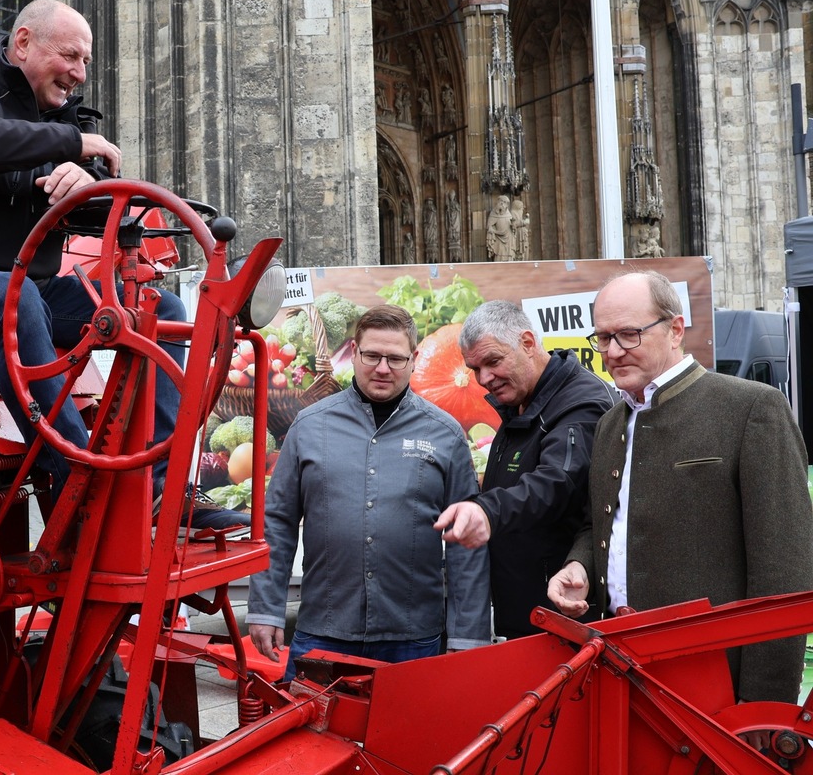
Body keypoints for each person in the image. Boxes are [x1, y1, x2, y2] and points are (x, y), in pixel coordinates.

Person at [0, 0, 246, 529]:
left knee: (160, 306)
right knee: (18, 300)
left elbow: (104, 197)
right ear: (25, 41)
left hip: (26, 282)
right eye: (71, 56)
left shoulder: (66, 118)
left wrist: (87, 183)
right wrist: (70, 144)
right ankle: (83, 482)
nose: (80, 74)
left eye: (86, 62)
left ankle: (157, 489)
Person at [547, 271, 813, 705]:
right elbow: (604, 526)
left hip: (715, 682)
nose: (613, 352)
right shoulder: (610, 422)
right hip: (618, 669)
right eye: (604, 337)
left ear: (675, 329)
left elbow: (785, 569)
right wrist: (579, 566)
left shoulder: (750, 407)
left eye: (629, 335)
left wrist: (766, 700)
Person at [247, 305, 491, 680]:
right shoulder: (310, 427)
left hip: (413, 636)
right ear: (354, 352)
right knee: (307, 736)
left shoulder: (444, 433)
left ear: (414, 359)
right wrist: (266, 608)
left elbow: (467, 544)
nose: (382, 368)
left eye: (395, 358)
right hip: (324, 629)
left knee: (408, 738)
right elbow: (276, 523)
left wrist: (468, 635)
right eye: (372, 355)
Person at [434, 301, 613, 639]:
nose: (483, 379)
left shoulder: (582, 402)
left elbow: (556, 481)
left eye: (493, 362)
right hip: (522, 614)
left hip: (563, 616)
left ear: (528, 343)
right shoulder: (519, 400)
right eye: (475, 368)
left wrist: (486, 510)